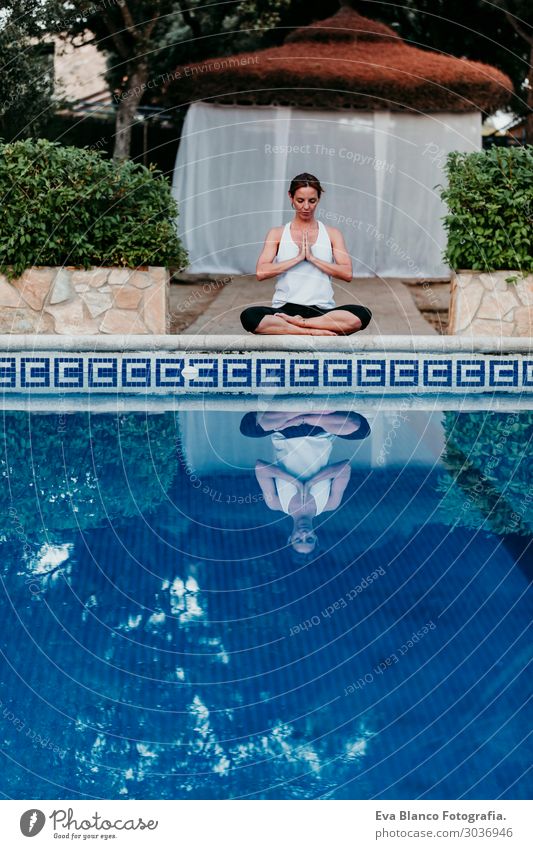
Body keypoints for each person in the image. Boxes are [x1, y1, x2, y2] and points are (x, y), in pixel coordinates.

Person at [240, 173, 372, 336]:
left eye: (312, 201)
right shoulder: (277, 233)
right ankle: (311, 332)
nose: (306, 207)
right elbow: (261, 272)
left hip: (322, 312)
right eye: (300, 200)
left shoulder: (332, 234)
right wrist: (297, 258)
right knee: (249, 316)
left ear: (319, 199)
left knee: (362, 314)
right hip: (284, 311)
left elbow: (347, 273)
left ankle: (301, 325)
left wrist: (312, 258)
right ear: (291, 197)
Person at [241, 410, 371, 557]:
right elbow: (345, 468)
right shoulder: (330, 503)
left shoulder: (276, 503)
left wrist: (295, 482)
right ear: (316, 537)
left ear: (290, 539)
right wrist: (310, 483)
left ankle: (300, 414)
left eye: (298, 540)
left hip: (285, 430)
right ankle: (306, 416)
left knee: (248, 428)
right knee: (360, 429)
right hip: (321, 430)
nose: (303, 534)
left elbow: (260, 468)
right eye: (309, 539)